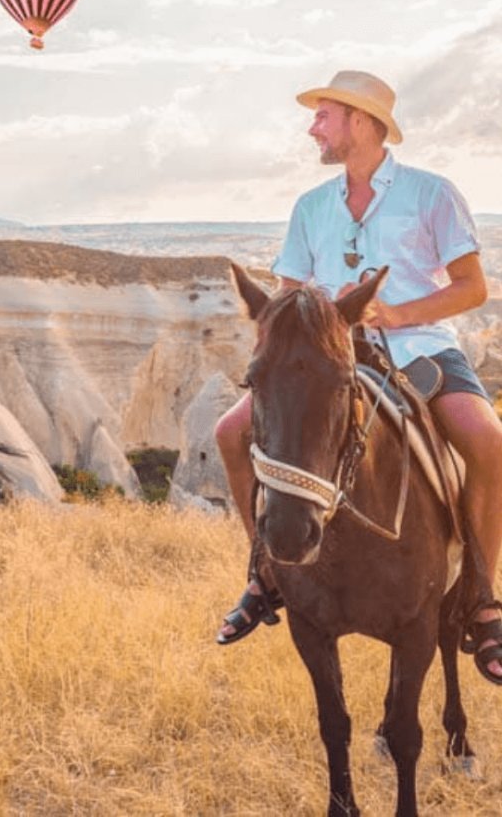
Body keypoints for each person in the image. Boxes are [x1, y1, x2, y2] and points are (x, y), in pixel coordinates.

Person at [214, 70, 502, 684]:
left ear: (362, 122)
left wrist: (396, 313)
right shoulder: (311, 206)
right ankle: (264, 573)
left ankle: (480, 594)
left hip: (419, 348)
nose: (313, 127)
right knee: (230, 434)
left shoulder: (432, 194)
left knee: (487, 441)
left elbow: (473, 287)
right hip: (328, 358)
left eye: (324, 115)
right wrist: (304, 325)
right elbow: (288, 298)